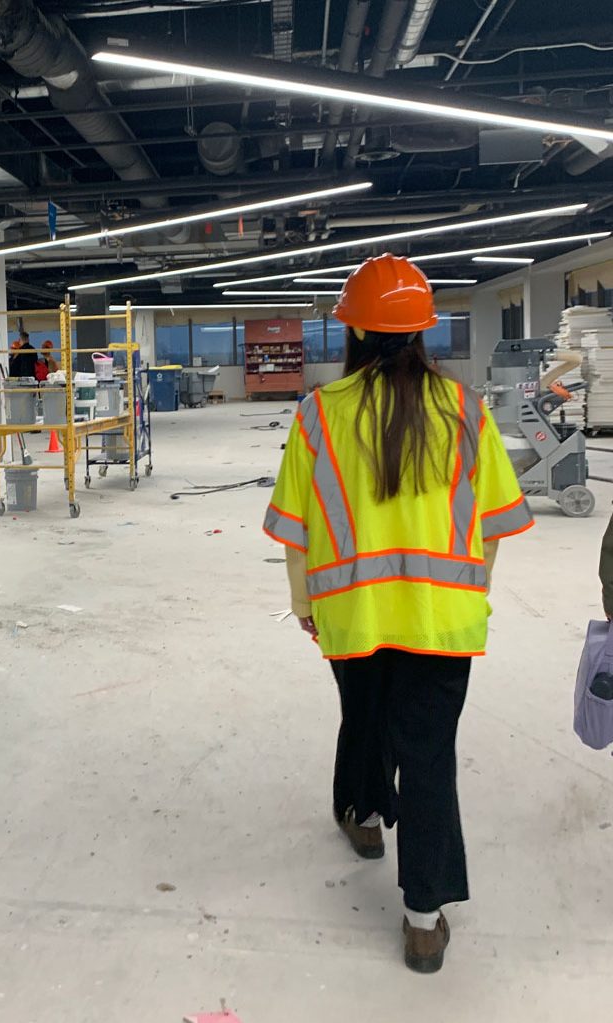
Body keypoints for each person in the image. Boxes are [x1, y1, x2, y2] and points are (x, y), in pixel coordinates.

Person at [263, 254, 532, 974]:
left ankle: (369, 818)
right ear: (423, 332)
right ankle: (422, 919)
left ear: (352, 330)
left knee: (366, 717)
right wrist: (471, 594)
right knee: (430, 753)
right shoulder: (467, 410)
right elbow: (498, 523)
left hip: (353, 614)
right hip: (443, 623)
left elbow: (296, 530)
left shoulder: (320, 413)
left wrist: (305, 607)